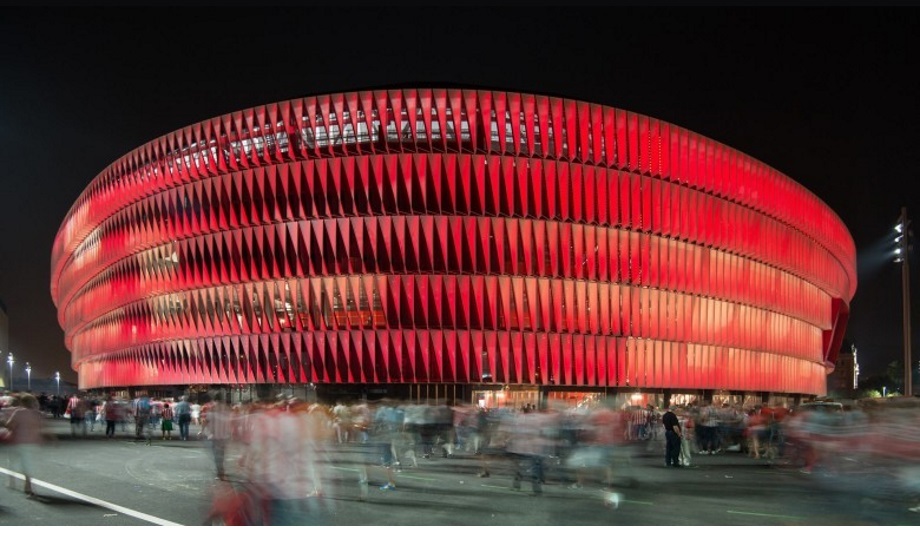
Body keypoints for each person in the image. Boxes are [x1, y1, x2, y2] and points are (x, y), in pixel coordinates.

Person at [1, 394, 43, 497]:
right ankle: (28, 485)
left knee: (12, 461)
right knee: (27, 463)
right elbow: (39, 428)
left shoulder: (19, 412)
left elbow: (10, 426)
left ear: (22, 403)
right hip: (32, 442)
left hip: (17, 441)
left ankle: (12, 481)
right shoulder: (37, 414)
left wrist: (3, 422)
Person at [202, 394, 234, 480]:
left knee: (217, 455)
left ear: (215, 400)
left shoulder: (212, 411)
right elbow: (231, 422)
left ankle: (220, 472)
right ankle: (221, 471)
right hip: (224, 436)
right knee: (221, 455)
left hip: (215, 437)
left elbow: (206, 421)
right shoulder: (227, 411)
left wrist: (202, 431)